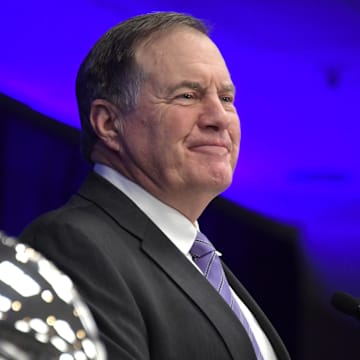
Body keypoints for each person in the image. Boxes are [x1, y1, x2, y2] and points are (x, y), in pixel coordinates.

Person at [20, 12, 290, 360]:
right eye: (187, 96)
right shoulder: (69, 244)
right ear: (109, 123)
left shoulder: (204, 264)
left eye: (226, 98)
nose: (220, 118)